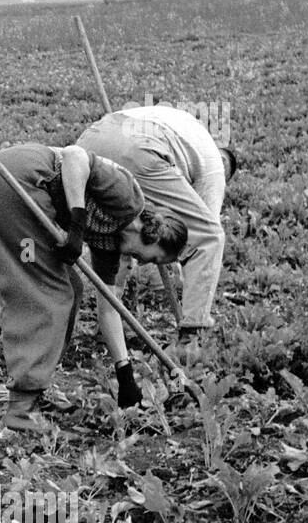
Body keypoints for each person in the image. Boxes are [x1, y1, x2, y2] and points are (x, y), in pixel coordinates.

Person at [0, 143, 188, 431]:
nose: (141, 263)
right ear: (153, 236)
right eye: (151, 258)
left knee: (68, 286)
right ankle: (21, 406)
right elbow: (74, 155)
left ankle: (35, 388)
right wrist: (77, 226)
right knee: (44, 289)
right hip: (11, 184)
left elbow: (109, 308)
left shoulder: (110, 245)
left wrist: (125, 373)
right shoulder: (127, 196)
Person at [77, 105, 236, 358]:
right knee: (209, 238)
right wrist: (193, 309)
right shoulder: (214, 168)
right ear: (227, 167)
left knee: (120, 230)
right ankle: (191, 338)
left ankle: (109, 321)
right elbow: (202, 240)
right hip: (139, 151)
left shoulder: (187, 128)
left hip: (92, 139)